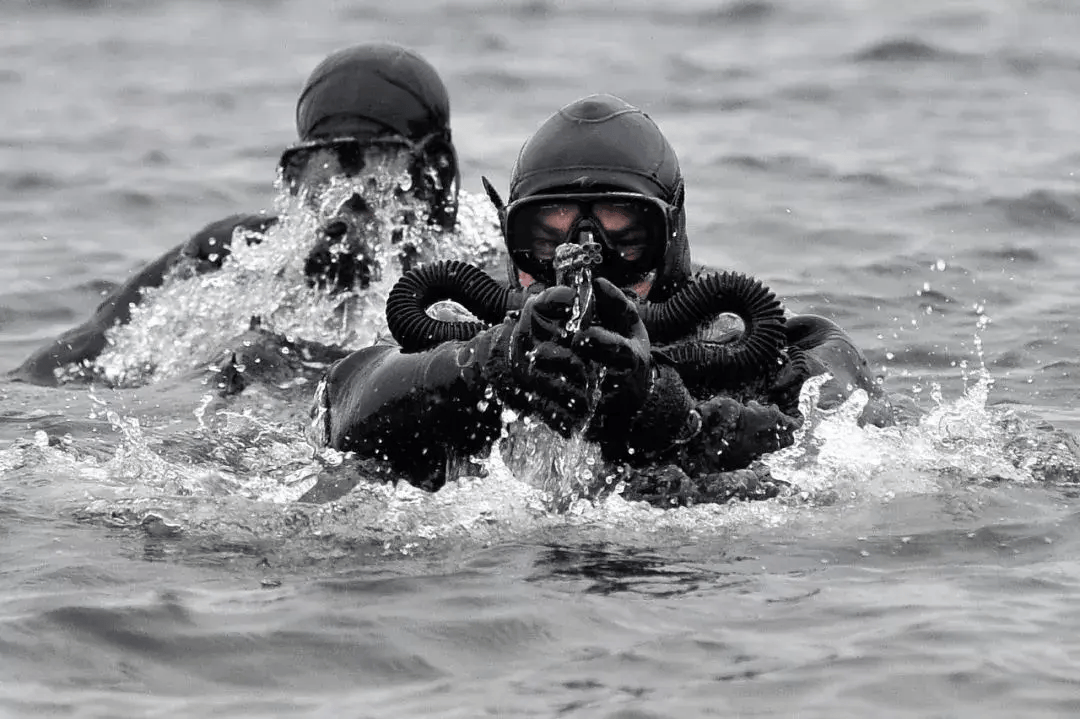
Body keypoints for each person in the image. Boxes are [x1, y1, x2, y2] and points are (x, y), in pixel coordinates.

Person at [305, 94, 894, 503]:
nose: (585, 260)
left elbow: (851, 449)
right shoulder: (479, 341)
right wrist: (486, 365)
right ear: (512, 240)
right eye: (547, 237)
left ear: (671, 234)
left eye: (624, 235)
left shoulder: (772, 347)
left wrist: (669, 416)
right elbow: (345, 402)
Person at [11, 42, 495, 388]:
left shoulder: (487, 264)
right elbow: (73, 357)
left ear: (434, 171)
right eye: (324, 171)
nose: (350, 202)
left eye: (379, 170)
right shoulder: (238, 252)